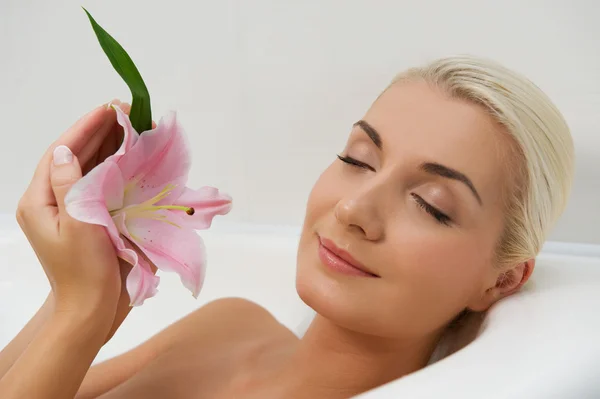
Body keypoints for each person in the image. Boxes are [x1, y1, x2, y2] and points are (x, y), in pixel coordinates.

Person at [0, 55, 574, 399]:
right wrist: (79, 299)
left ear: (500, 281)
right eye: (356, 160)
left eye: (430, 203)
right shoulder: (230, 326)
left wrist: (79, 316)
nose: (353, 211)